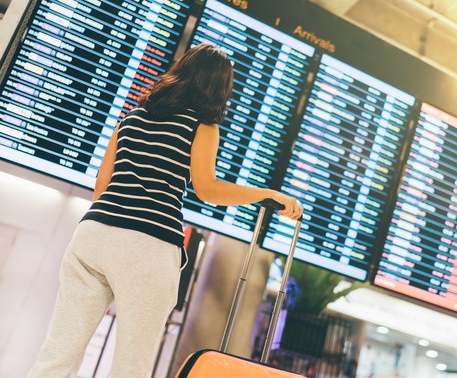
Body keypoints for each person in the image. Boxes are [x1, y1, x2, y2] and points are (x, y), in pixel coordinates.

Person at [28, 44, 303, 377]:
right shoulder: (201, 125)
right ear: (219, 88)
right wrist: (266, 193)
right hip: (149, 246)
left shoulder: (131, 117)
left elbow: (102, 188)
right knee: (132, 366)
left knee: (58, 355)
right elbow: (207, 189)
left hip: (93, 236)